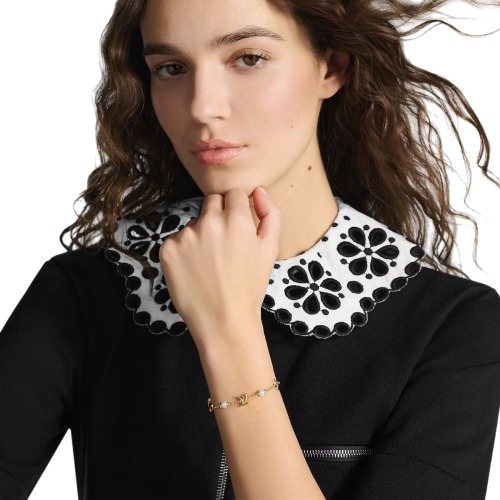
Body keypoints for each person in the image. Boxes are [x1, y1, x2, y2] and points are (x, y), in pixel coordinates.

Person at [1, 0, 500, 498]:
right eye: (170, 68)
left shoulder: (451, 326)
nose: (202, 107)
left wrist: (229, 334)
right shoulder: (85, 293)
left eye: (248, 58)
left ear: (332, 67)